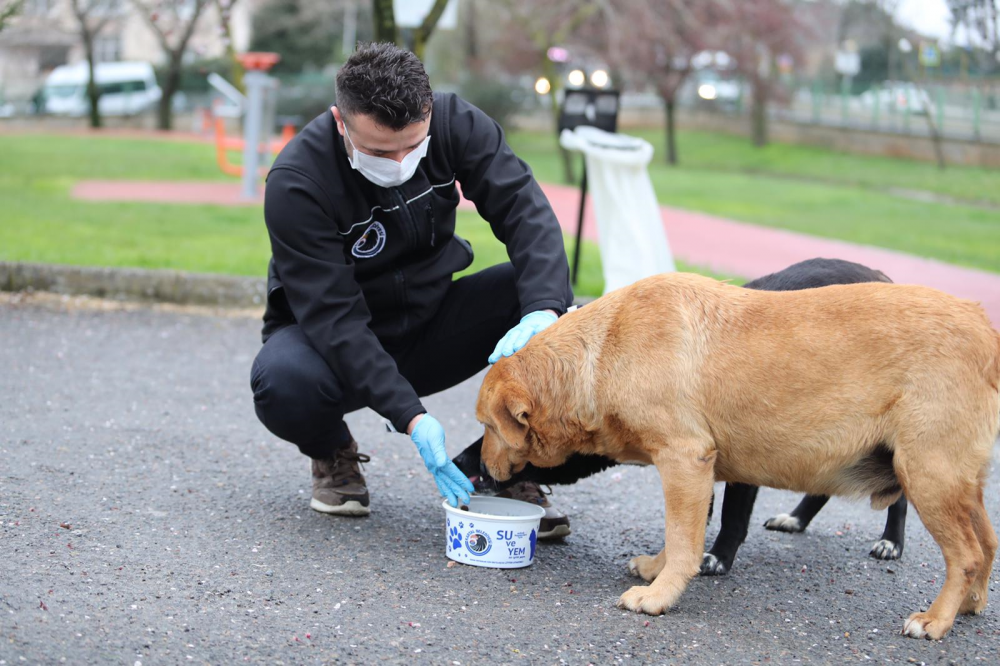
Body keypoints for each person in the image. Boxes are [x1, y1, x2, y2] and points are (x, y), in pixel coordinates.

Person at [250, 42, 573, 539]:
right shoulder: (297, 182)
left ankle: (501, 466)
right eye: (380, 151)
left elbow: (524, 212)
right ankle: (332, 451)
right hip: (338, 347)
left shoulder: (456, 123)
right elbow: (336, 320)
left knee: (556, 309)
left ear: (428, 110)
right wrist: (412, 418)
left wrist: (545, 312)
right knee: (281, 382)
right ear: (341, 121)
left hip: (432, 321)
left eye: (413, 146)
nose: (401, 162)